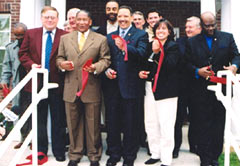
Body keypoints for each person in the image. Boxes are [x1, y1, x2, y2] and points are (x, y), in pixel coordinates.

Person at [184, 11, 240, 166]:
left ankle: (214, 157)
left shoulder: (227, 38)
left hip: (221, 90)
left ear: (216, 23)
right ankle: (204, 158)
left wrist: (234, 67)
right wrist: (197, 71)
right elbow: (186, 64)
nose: (210, 28)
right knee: (202, 125)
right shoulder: (192, 41)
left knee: (218, 124)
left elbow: (237, 56)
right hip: (200, 91)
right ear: (201, 25)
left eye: (213, 25)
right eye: (207, 26)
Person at [56, 10, 111, 166]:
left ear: (90, 22)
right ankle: (75, 154)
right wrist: (61, 64)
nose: (81, 22)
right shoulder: (65, 39)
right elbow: (59, 58)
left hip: (91, 86)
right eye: (78, 19)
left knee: (93, 123)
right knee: (73, 123)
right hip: (70, 87)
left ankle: (94, 155)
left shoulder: (100, 39)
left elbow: (106, 59)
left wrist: (95, 67)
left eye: (84, 20)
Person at [19, 6, 67, 162]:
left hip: (57, 83)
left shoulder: (65, 36)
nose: (50, 20)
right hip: (36, 84)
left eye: (53, 17)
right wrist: (31, 64)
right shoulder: (31, 34)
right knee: (39, 119)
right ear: (42, 18)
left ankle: (59, 150)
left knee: (58, 118)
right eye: (47, 17)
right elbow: (23, 53)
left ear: (58, 19)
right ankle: (41, 150)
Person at [105, 5, 148, 166]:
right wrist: (107, 70)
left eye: (125, 16)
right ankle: (114, 154)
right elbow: (105, 58)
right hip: (112, 86)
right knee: (113, 122)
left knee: (131, 123)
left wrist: (125, 48)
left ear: (131, 18)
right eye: (120, 16)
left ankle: (129, 156)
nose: (122, 19)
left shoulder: (141, 35)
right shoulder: (110, 36)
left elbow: (142, 54)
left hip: (131, 86)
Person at [139, 19, 180, 166]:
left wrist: (157, 53)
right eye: (158, 29)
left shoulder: (173, 46)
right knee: (150, 122)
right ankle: (155, 153)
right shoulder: (151, 45)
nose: (160, 31)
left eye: (164, 29)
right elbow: (145, 64)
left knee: (166, 125)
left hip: (167, 90)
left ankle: (166, 159)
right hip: (150, 88)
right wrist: (141, 72)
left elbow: (169, 65)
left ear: (169, 32)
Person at [173, 16, 202, 158]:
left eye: (191, 27)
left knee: (196, 118)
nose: (187, 29)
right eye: (186, 27)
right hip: (181, 86)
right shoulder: (180, 42)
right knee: (178, 118)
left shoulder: (203, 43)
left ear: (199, 28)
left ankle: (194, 145)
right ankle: (175, 147)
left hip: (197, 86)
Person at [0, 22, 31, 149]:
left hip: (32, 83)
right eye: (16, 35)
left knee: (33, 112)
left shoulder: (32, 46)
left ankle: (34, 140)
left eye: (21, 35)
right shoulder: (10, 48)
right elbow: (7, 66)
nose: (19, 38)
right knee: (20, 111)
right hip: (18, 84)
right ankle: (23, 139)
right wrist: (4, 80)